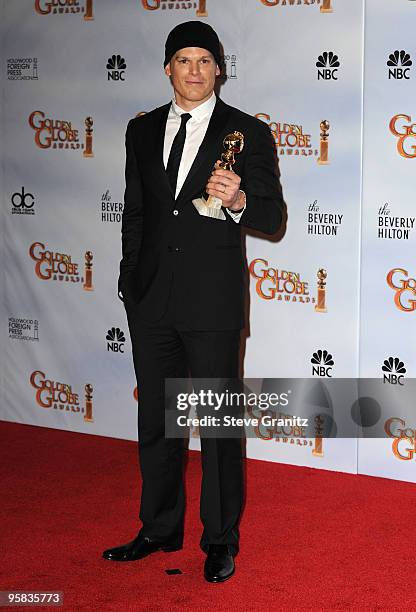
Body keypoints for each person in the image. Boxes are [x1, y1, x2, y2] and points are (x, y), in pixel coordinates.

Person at [102, 20, 285, 583]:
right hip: (152, 299)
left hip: (212, 304)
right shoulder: (142, 130)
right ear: (167, 69)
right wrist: (130, 281)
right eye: (184, 59)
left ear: (219, 70)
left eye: (205, 60)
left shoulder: (248, 132)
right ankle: (158, 528)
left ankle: (220, 540)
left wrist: (240, 200)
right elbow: (135, 212)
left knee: (219, 426)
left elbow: (273, 219)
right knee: (157, 421)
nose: (195, 70)